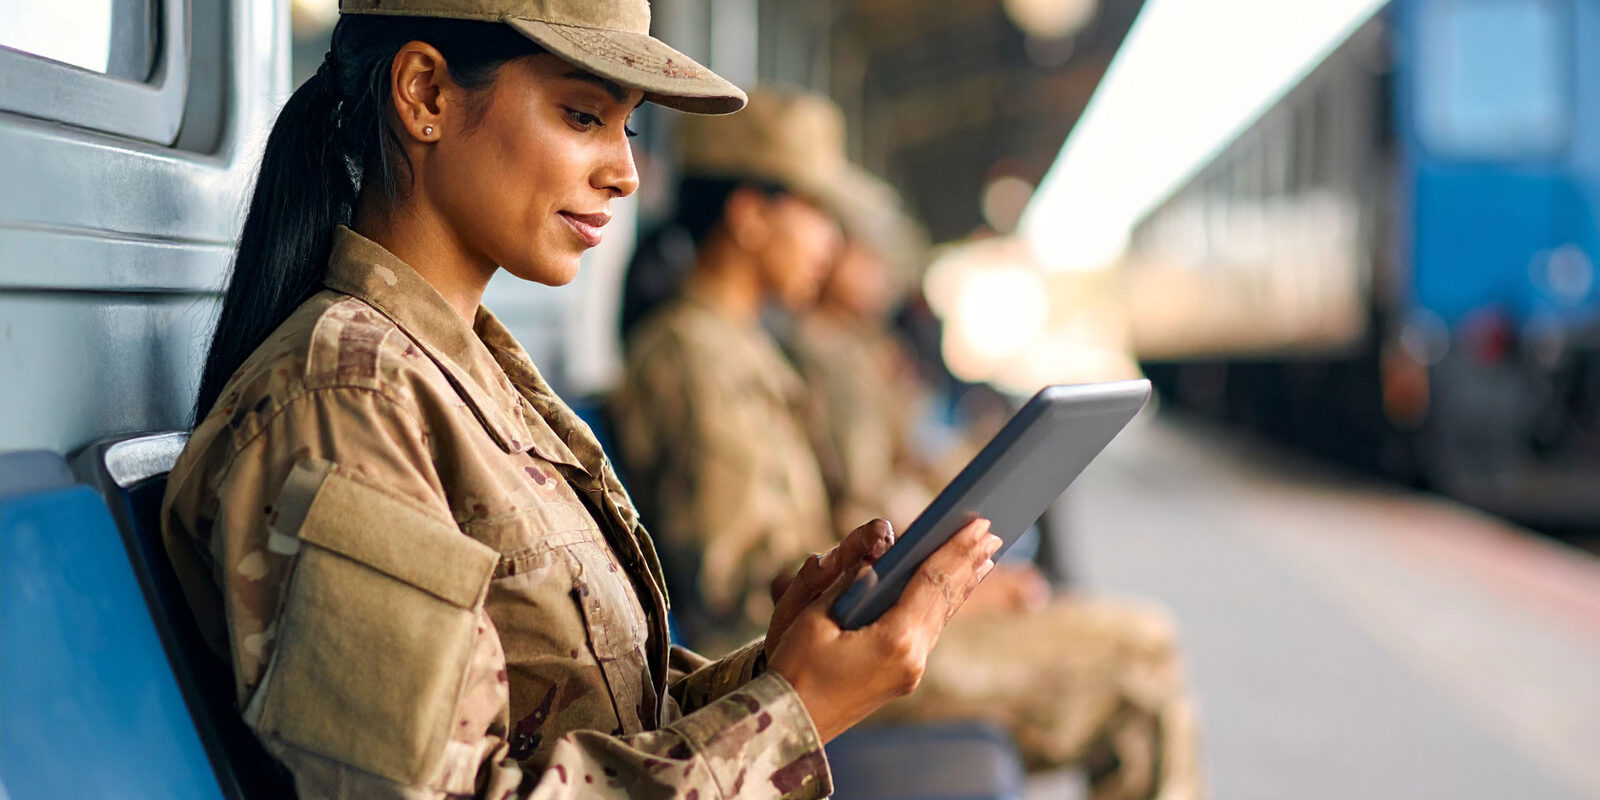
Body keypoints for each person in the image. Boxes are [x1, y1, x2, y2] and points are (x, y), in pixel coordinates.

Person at [159, 4, 1002, 798]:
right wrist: (796, 715)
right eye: (581, 115)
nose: (627, 173)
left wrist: (774, 672)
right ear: (425, 94)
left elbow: (588, 715)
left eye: (628, 125)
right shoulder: (344, 402)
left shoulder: (468, 375)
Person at [612, 88, 1204, 799]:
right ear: (748, 216)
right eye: (817, 216)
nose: (831, 245)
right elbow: (747, 585)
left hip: (844, 632)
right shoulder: (691, 359)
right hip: (794, 672)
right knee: (1139, 669)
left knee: (1144, 650)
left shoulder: (739, 351)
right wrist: (930, 596)